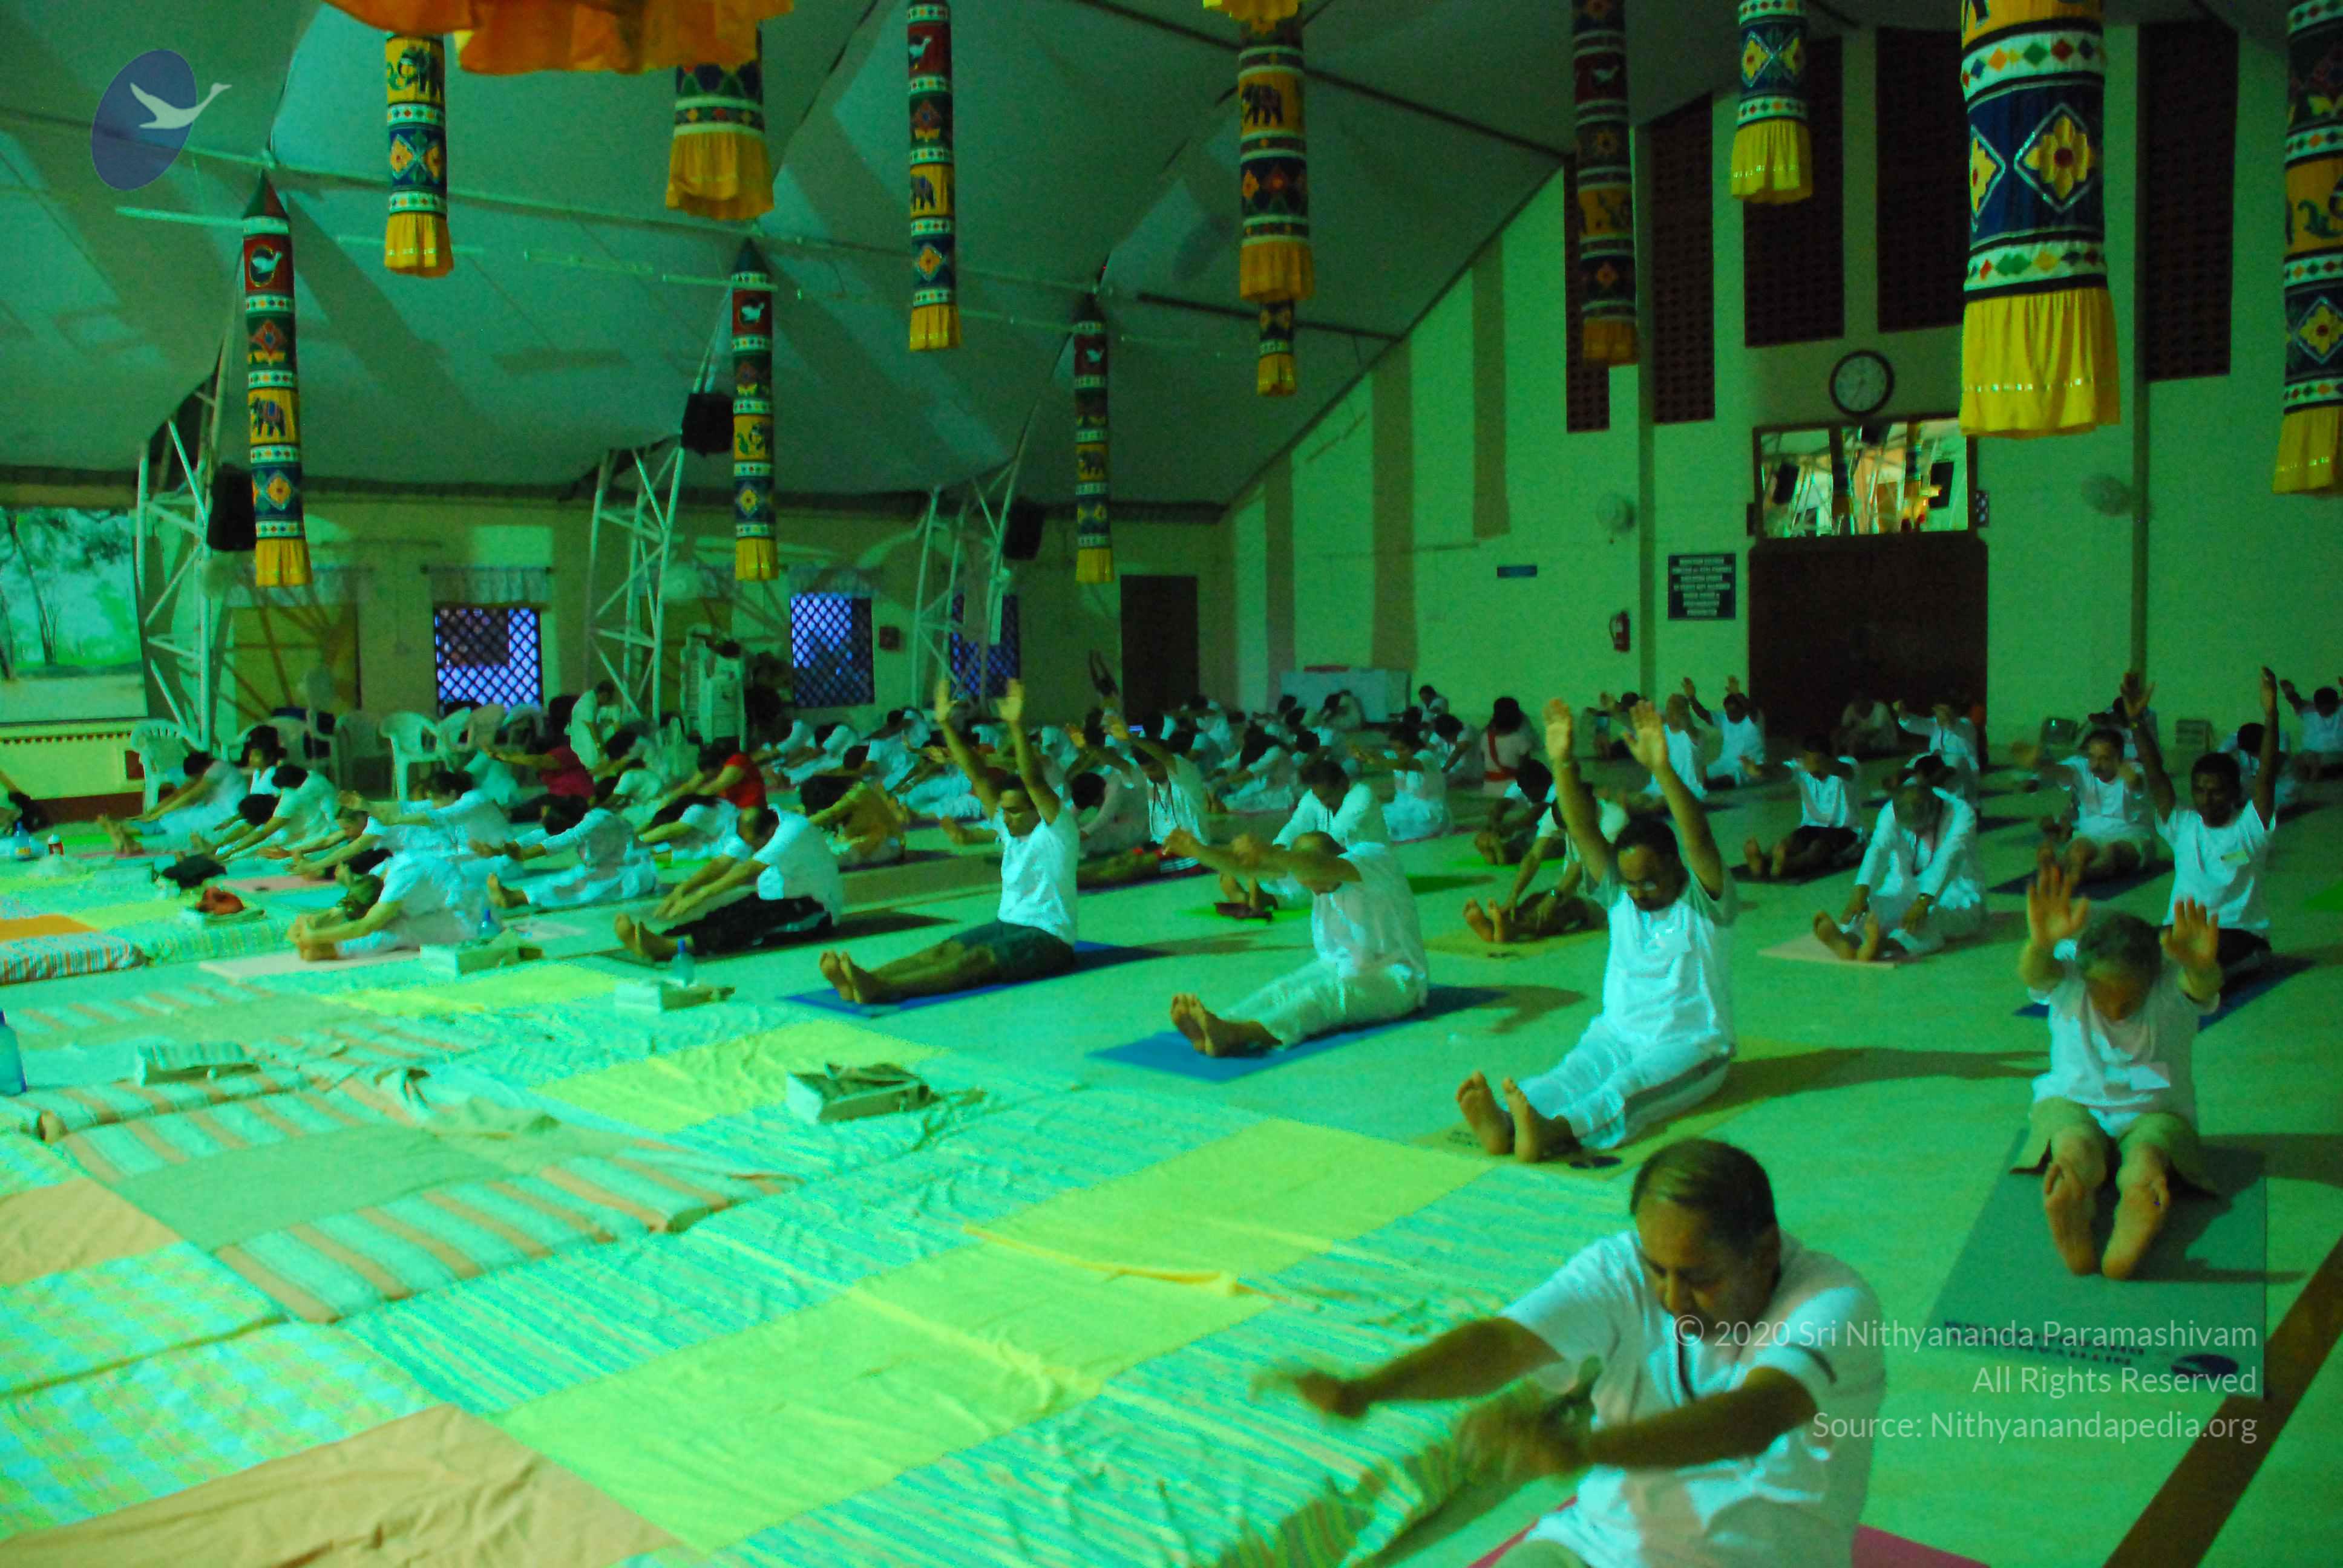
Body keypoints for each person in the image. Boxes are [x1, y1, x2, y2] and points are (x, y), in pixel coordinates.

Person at [1271, 1140, 1885, 1568]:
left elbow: (1750, 1419)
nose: (1671, 1298)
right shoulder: (1619, 1268)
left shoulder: (1833, 1303)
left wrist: (1584, 1448)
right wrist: (1368, 1389)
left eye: (1699, 1277)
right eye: (1657, 1270)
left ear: (1764, 1251)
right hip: (1599, 1549)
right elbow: (1506, 1342)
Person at [1458, 699, 1737, 1163]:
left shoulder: (1704, 906)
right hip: (1618, 1033)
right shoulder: (1622, 898)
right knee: (1574, 1072)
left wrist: (1662, 770)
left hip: (1691, 1046)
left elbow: (1699, 838)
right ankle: (1507, 1123)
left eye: (1651, 880)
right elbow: (1583, 829)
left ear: (1677, 867)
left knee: (1628, 1087)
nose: (1639, 892)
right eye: (1631, 883)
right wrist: (1562, 762)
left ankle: (1555, 1132)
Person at [819, 679, 1080, 1004]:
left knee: (975, 960)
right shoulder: (1007, 826)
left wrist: (1015, 726)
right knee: (945, 949)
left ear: (1037, 810)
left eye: (1015, 812)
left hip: (1050, 939)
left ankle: (884, 989)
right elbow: (977, 776)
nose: (1006, 818)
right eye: (1005, 811)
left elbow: (1033, 780)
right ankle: (864, 979)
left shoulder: (1057, 833)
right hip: (1007, 923)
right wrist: (944, 724)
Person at [2018, 866, 2222, 1279]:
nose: (2113, 1009)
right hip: (2074, 1101)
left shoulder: (2171, 989)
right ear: (2083, 976)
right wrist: (2040, 944)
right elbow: (2036, 972)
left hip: (2154, 1110)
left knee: (2148, 1153)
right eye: (2101, 995)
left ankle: (2138, 1199)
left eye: (2127, 999)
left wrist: (2202, 966)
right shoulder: (2070, 980)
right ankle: (2074, 1192)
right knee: (2073, 1145)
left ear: (2154, 976)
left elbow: (2202, 985)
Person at [1156, 828, 1426, 1054]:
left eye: (1310, 875)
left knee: (1325, 997)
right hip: (1338, 965)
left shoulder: (1373, 858)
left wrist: (1273, 853)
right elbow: (1250, 867)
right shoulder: (1310, 873)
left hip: (1399, 979)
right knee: (1283, 989)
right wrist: (1198, 850)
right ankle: (1221, 1023)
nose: (1309, 886)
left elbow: (1322, 865)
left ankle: (1238, 1033)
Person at [2131, 669, 2279, 978]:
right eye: (2199, 790)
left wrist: (2271, 715)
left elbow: (2266, 775)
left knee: (2194, 972)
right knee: (2126, 957)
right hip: (2181, 929)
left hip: (2238, 933)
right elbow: (2155, 773)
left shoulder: (2249, 830)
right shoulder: (2183, 825)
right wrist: (2136, 722)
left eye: (2216, 791)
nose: (2206, 799)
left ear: (2235, 793)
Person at [613, 805, 841, 960]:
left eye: (755, 845)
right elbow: (722, 863)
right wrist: (684, 889)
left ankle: (673, 948)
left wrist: (700, 895)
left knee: (745, 926)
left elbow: (747, 869)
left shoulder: (793, 829)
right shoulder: (757, 823)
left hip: (815, 910)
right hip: (775, 899)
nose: (752, 849)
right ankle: (663, 938)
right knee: (722, 914)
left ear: (770, 833)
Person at [1814, 757, 1986, 963]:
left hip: (1954, 893)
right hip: (1903, 889)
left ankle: (1883, 946)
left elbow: (1950, 856)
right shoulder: (1892, 809)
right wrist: (1861, 889)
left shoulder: (1961, 813)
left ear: (1934, 810)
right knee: (1873, 907)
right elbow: (1879, 848)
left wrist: (1924, 901)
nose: (1916, 834)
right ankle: (1849, 940)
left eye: (1920, 828)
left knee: (1929, 917)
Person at [1217, 756, 1389, 916]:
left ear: (1343, 784)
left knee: (1311, 874)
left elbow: (1333, 839)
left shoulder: (1361, 795)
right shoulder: (1314, 797)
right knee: (1285, 866)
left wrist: (1283, 858)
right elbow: (1297, 825)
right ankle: (1256, 895)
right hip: (1329, 859)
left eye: (1327, 797)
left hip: (1364, 868)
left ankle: (1267, 898)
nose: (1324, 803)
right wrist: (1278, 847)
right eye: (1320, 798)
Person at [1463, 792, 1629, 946]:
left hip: (1608, 897)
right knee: (1536, 900)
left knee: (1562, 909)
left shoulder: (1613, 820)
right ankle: (1500, 924)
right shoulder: (1561, 810)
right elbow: (1534, 856)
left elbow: (1581, 866)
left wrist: (1554, 897)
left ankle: (1511, 929)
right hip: (1575, 888)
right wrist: (1513, 896)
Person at [290, 849, 488, 959]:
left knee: (395, 931)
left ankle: (330, 950)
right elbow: (350, 907)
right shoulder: (380, 873)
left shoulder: (398, 880)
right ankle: (325, 946)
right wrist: (314, 922)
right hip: (438, 906)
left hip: (468, 918)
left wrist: (314, 936)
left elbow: (366, 926)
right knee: (383, 921)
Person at [482, 795, 660, 912]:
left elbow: (568, 838)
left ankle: (516, 898)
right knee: (567, 878)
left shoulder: (598, 819)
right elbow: (543, 835)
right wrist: (501, 850)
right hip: (608, 870)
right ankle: (518, 897)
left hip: (638, 871)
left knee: (581, 885)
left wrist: (525, 855)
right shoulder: (576, 821)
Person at [2030, 725, 2153, 886]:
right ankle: (2063, 870)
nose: (2096, 765)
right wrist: (2040, 763)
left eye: (2104, 759)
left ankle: (2073, 874)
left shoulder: (2134, 771)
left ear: (2119, 758)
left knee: (2111, 854)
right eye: (2092, 757)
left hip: (2131, 837)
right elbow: (2059, 770)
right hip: (2090, 835)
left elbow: (2136, 784)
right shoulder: (2082, 767)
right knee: (2078, 851)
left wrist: (2129, 775)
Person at [1741, 739, 1859, 881]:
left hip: (1844, 831)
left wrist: (1819, 763)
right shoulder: (1804, 766)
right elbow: (1779, 770)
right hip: (1810, 827)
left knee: (1818, 848)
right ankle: (1763, 861)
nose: (1813, 772)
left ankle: (1786, 865)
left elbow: (1840, 769)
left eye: (1817, 763)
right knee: (1789, 842)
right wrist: (1760, 771)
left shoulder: (1849, 764)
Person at [195, 762, 339, 861]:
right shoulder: (283, 795)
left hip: (319, 837)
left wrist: (229, 853)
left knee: (264, 855)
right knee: (257, 851)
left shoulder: (289, 802)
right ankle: (218, 851)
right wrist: (221, 843)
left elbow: (262, 833)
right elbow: (249, 826)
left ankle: (221, 854)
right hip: (306, 834)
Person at [1355, 725, 1452, 842]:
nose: (1398, 754)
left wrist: (1377, 761)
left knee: (1383, 830)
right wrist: (1363, 754)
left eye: (1402, 749)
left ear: (1414, 746)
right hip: (1404, 810)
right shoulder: (1396, 757)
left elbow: (1405, 765)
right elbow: (1379, 755)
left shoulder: (1426, 757)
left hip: (1430, 814)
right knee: (1369, 819)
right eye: (1395, 749)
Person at [805, 771, 913, 869]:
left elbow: (831, 814)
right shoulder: (856, 791)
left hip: (888, 844)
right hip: (875, 842)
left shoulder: (858, 793)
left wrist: (800, 824)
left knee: (824, 859)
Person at [1893, 698, 1980, 800]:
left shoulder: (1966, 724)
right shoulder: (1935, 724)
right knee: (1919, 759)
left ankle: (1927, 785)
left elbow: (1955, 726)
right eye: (1938, 711)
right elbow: (1916, 724)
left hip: (1962, 771)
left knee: (1955, 760)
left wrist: (1949, 719)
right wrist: (1902, 713)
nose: (1941, 714)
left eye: (1944, 711)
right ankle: (1898, 780)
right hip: (1937, 765)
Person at [1685, 677, 1765, 786]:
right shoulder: (1723, 719)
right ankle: (1707, 784)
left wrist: (1737, 693)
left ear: (1743, 709)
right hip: (1725, 763)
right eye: (1728, 710)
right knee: (1699, 773)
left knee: (1733, 777)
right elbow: (1704, 714)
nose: (1730, 714)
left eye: (1734, 710)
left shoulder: (1754, 719)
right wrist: (1692, 698)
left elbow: (1751, 708)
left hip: (1749, 765)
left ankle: (1713, 785)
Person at [2276, 675, 2343, 779]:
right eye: (2322, 709)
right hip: (2311, 755)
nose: (2326, 712)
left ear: (2336, 703)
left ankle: (2315, 776)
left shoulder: (2341, 709)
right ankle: (2313, 777)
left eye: (2329, 709)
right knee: (2296, 762)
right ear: (2316, 705)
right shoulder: (2308, 710)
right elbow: (2296, 702)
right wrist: (2290, 694)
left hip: (2338, 753)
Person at [1481, 696, 1538, 786]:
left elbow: (1482, 760)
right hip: (1513, 787)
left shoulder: (1485, 736)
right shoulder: (1520, 739)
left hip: (1489, 786)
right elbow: (1526, 767)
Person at [1833, 690, 1897, 757]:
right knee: (1838, 736)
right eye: (1855, 700)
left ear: (1868, 701)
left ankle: (1850, 761)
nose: (1857, 704)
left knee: (1854, 739)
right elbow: (1844, 728)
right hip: (1867, 747)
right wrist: (1838, 734)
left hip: (1886, 748)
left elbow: (1875, 732)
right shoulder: (1851, 708)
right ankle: (1837, 760)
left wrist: (1856, 736)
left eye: (1860, 700)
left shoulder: (1880, 708)